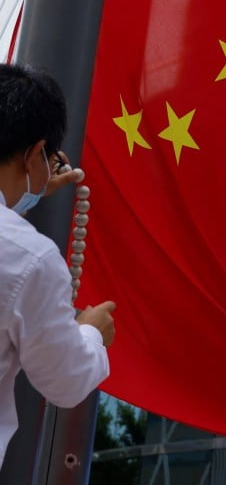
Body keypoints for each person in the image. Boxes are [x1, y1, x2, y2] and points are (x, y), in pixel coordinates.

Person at [0, 63, 116, 465]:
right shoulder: (30, 258)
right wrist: (91, 334)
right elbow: (64, 381)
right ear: (35, 155)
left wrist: (26, 192)